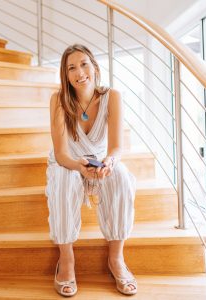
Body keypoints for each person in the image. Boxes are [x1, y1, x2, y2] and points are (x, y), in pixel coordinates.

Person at [45, 44, 137, 297]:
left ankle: (116, 258)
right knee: (63, 181)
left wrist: (109, 162)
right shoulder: (58, 100)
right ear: (65, 75)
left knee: (120, 176)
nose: (79, 72)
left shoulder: (112, 96)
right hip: (68, 162)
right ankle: (66, 260)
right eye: (71, 67)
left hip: (98, 161)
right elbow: (62, 153)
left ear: (94, 66)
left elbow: (117, 147)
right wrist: (78, 166)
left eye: (84, 64)